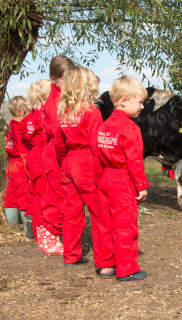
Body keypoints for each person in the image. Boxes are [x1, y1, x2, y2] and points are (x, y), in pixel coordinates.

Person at [95, 75, 149, 281]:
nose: (142, 107)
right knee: (125, 224)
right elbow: (134, 161)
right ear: (124, 100)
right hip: (122, 180)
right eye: (140, 102)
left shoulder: (104, 126)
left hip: (105, 178)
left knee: (105, 223)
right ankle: (127, 269)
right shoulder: (131, 128)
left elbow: (98, 155)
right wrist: (141, 186)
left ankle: (106, 265)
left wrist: (98, 179)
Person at [55, 66, 103, 266]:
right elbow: (96, 145)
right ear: (88, 86)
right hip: (87, 162)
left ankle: (71, 255)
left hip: (69, 162)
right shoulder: (92, 113)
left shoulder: (64, 113)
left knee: (72, 212)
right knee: (98, 211)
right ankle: (104, 258)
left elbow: (59, 144)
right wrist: (101, 173)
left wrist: (64, 164)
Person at [40, 55, 75, 255]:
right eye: (65, 79)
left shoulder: (60, 96)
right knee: (56, 195)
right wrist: (65, 158)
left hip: (56, 151)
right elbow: (57, 131)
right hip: (56, 153)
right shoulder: (56, 100)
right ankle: (49, 237)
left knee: (57, 193)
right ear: (54, 79)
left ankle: (51, 235)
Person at [22, 79, 52, 247]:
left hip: (33, 155)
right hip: (43, 155)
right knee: (45, 196)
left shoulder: (31, 115)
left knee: (35, 194)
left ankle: (34, 232)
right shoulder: (44, 114)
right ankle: (43, 234)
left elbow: (27, 135)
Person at [3, 96, 31, 233]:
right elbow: (23, 150)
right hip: (20, 164)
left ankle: (12, 227)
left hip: (11, 165)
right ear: (23, 111)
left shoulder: (9, 127)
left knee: (11, 195)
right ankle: (27, 229)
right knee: (24, 195)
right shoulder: (20, 128)